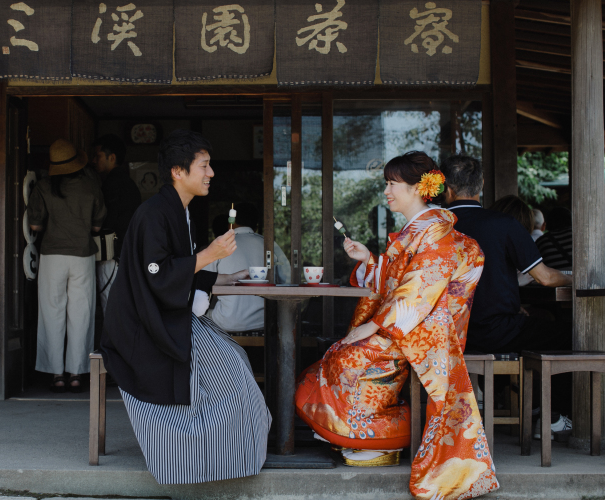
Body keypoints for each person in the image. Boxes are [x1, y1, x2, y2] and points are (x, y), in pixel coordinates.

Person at [295, 152, 498, 500]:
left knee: (350, 360)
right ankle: (356, 431)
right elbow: (397, 281)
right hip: (411, 324)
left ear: (418, 188)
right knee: (339, 353)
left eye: (392, 184)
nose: (387, 191)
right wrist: (369, 261)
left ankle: (382, 435)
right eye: (387, 183)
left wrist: (374, 325)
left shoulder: (437, 234)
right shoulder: (419, 230)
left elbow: (419, 291)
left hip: (428, 331)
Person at [101, 130, 271, 485]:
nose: (211, 173)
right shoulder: (154, 213)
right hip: (142, 324)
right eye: (204, 166)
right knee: (231, 374)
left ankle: (229, 454)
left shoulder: (178, 211)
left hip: (164, 314)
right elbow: (158, 274)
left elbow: (178, 271)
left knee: (235, 363)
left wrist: (223, 278)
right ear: (178, 171)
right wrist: (210, 256)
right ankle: (193, 459)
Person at [441, 155, 573, 436]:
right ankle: (550, 415)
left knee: (531, 327)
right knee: (569, 335)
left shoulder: (434, 226)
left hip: (445, 334)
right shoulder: (503, 224)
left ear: (447, 189)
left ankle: (519, 404)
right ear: (482, 185)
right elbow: (547, 278)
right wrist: (573, 276)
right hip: (497, 331)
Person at [28, 138, 106, 393]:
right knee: (82, 314)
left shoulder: (43, 186)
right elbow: (96, 227)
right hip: (82, 256)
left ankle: (56, 374)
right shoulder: (90, 186)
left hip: (52, 256)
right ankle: (76, 373)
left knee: (52, 313)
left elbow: (35, 226)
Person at [204, 202, 291, 333]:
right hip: (264, 321)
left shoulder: (220, 246)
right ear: (256, 227)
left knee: (197, 317)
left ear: (230, 224)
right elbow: (287, 280)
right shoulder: (270, 245)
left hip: (226, 322)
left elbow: (204, 282)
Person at [90, 134, 142, 313]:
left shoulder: (112, 185)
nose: (94, 160)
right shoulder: (128, 184)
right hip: (124, 254)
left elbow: (107, 221)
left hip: (112, 253)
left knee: (110, 306)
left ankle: (113, 341)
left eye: (98, 156)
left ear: (112, 158)